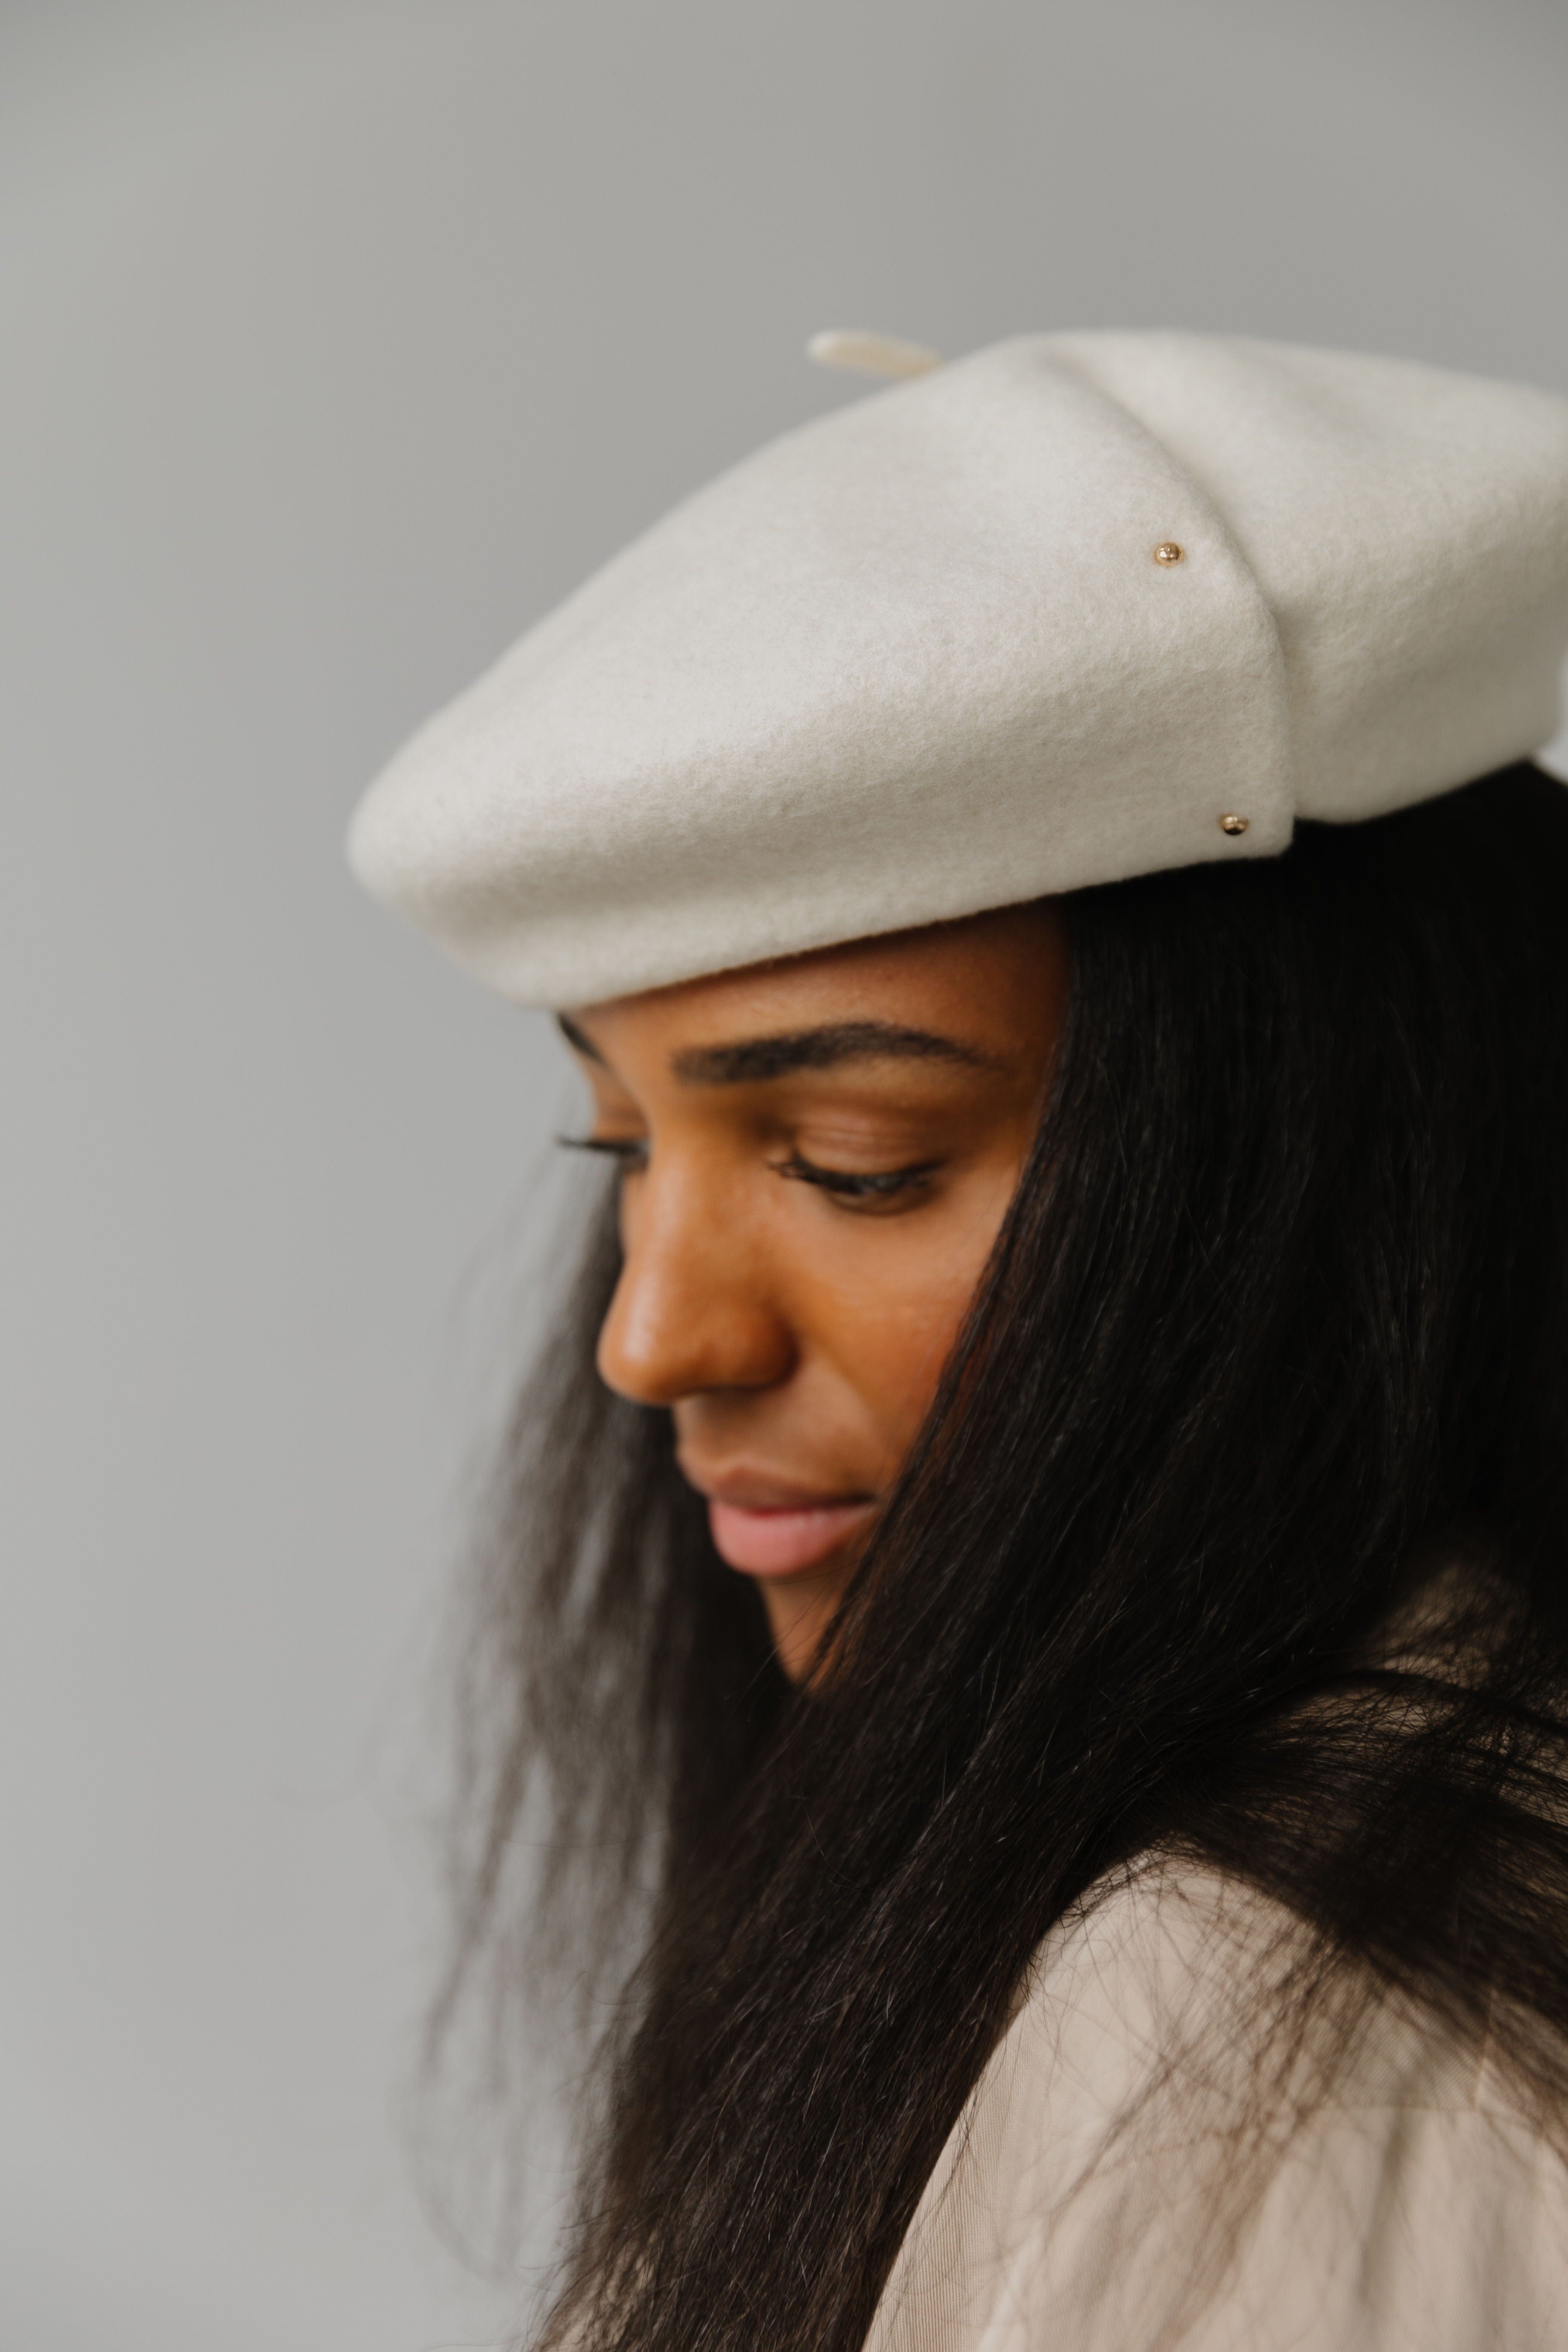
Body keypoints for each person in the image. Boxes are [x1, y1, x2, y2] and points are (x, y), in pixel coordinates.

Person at [349, 332, 1568, 2349]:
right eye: (622, 1141)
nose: (652, 1337)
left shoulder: (1246, 2035)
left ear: (1338, 1167)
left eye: (853, 1158)